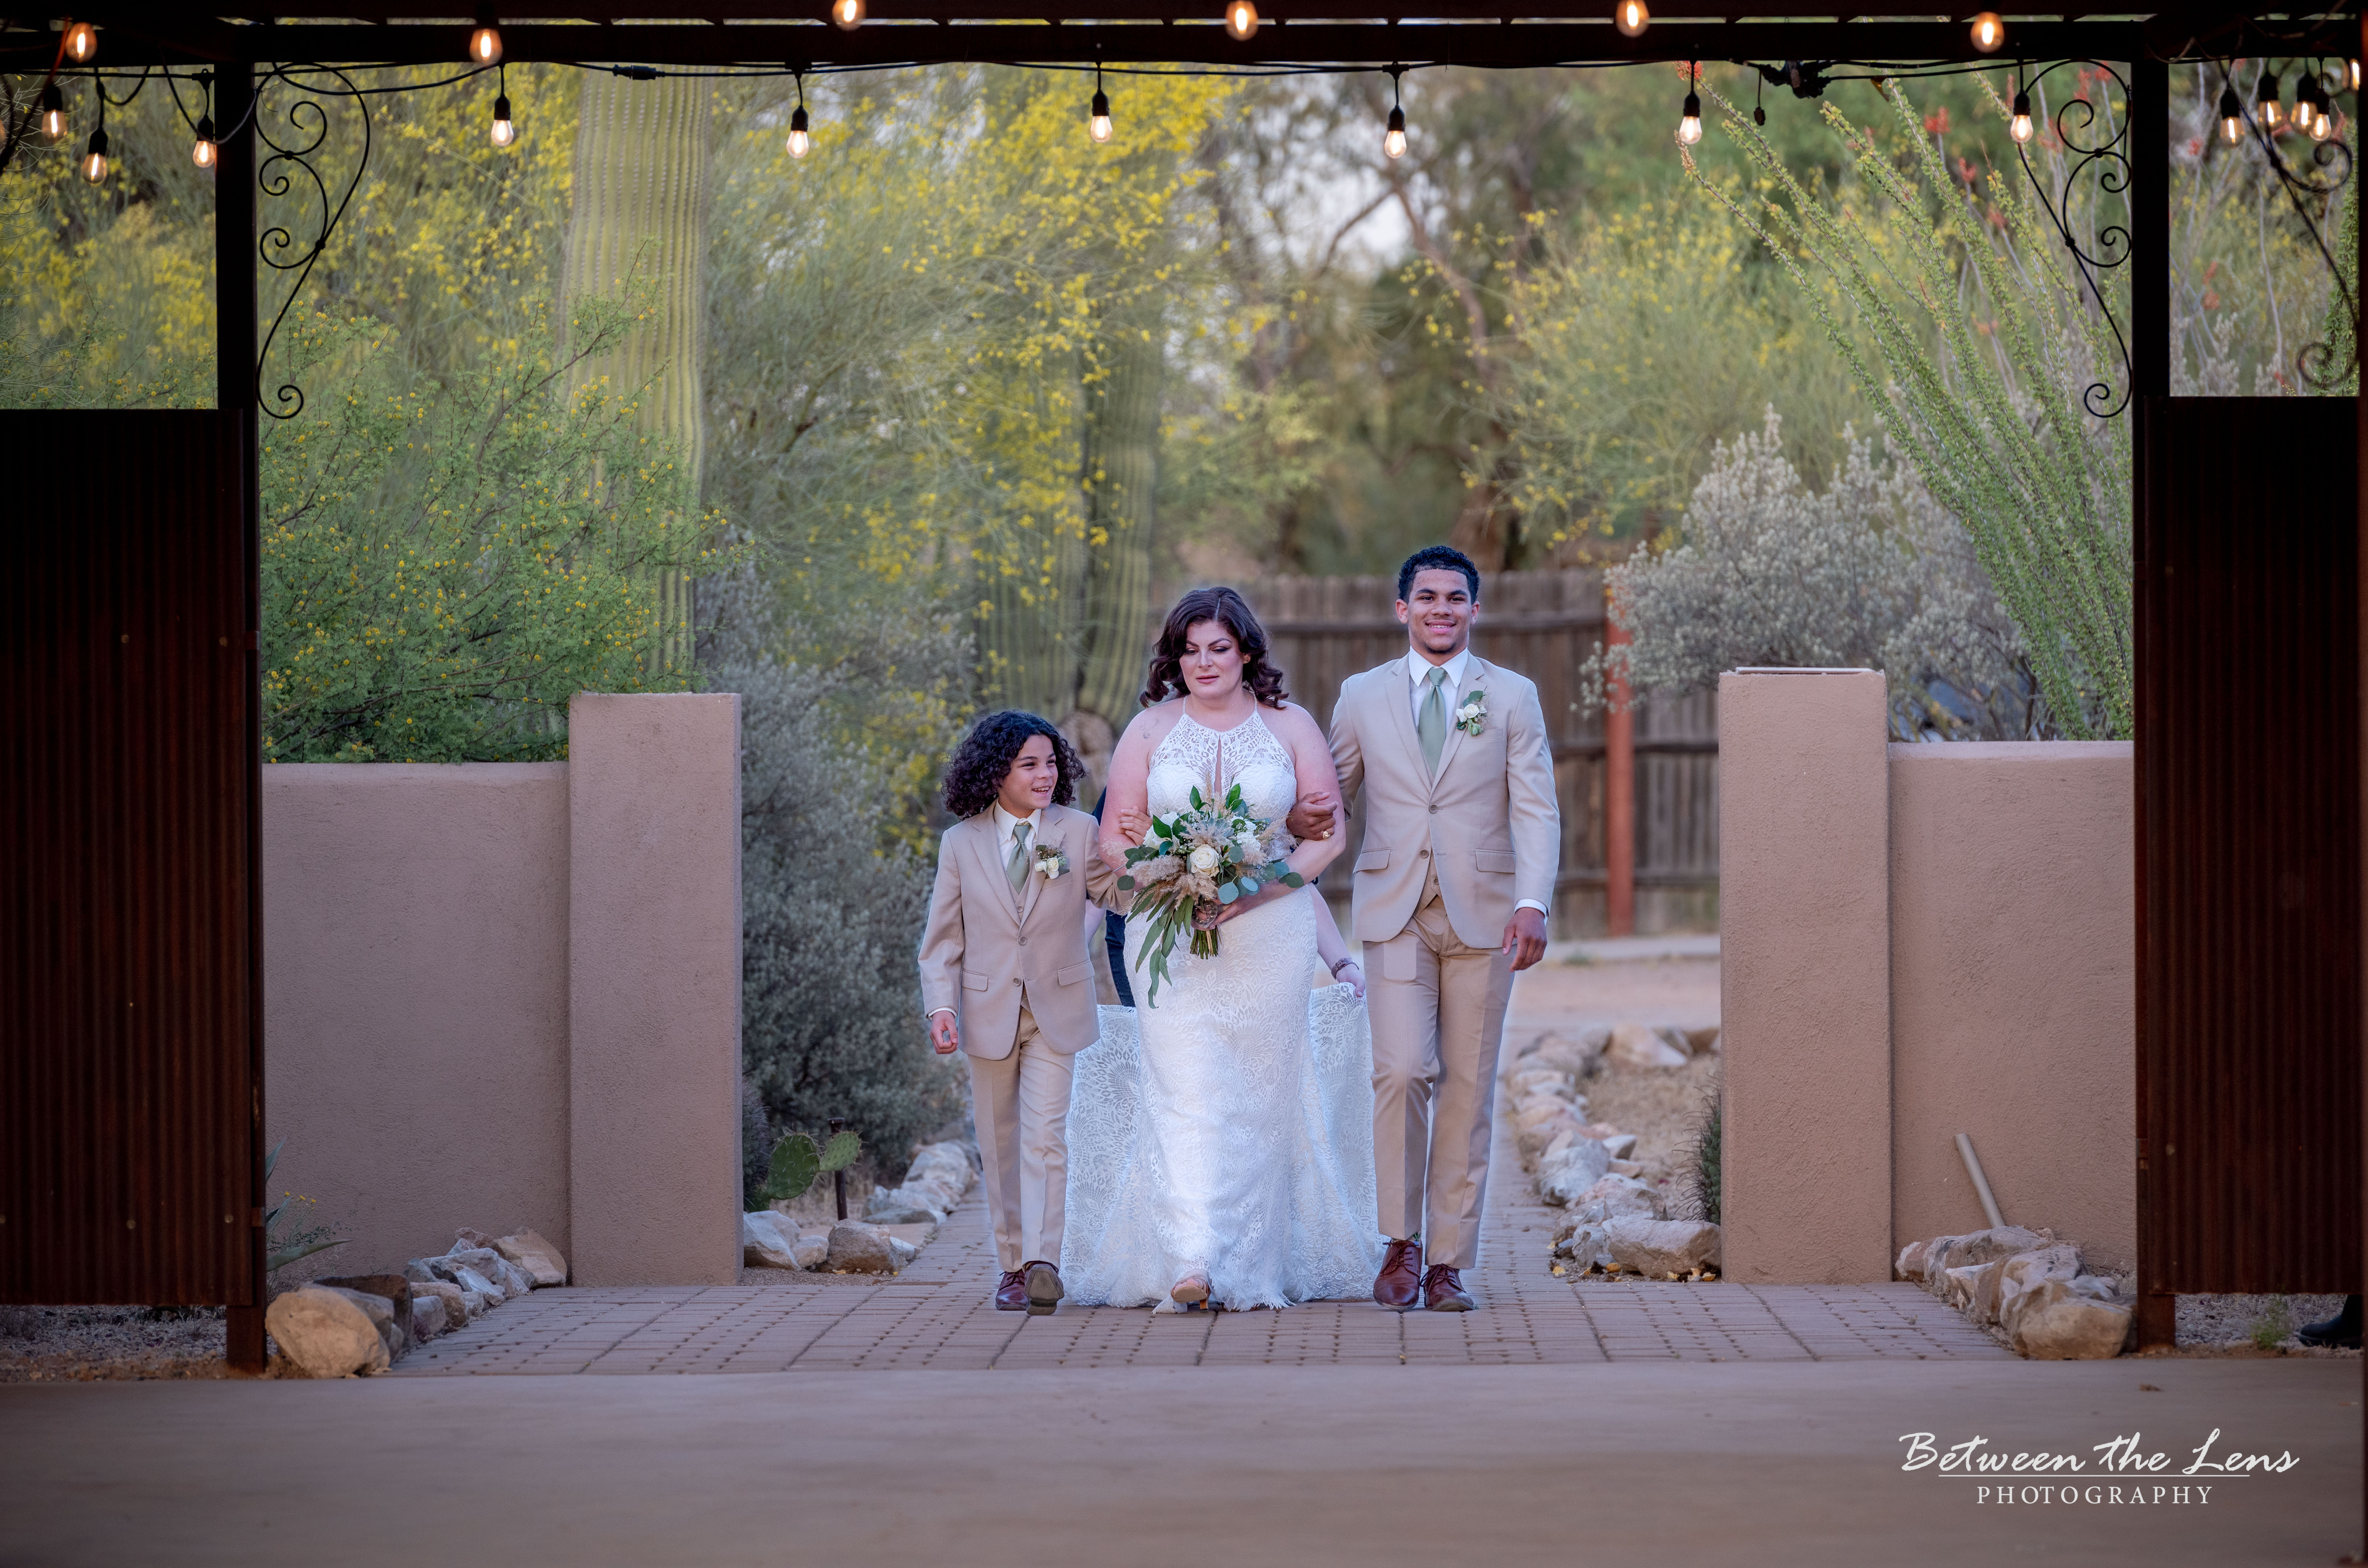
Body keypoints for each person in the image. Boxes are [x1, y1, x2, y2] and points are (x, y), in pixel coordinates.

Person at [1060, 587, 1378, 1312]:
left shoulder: (1290, 726)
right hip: (1167, 931)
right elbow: (1115, 837)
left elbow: (1326, 835)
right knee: (1185, 1089)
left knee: (1256, 1099)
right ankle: (1192, 1258)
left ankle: (1246, 1259)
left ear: (1246, 654)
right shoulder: (1149, 729)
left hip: (1270, 934)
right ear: (1174, 658)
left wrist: (1254, 885)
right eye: (1190, 649)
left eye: (1219, 648)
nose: (1204, 662)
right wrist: (1170, 874)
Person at [1286, 545, 1559, 1312]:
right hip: (1393, 907)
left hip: (1487, 911)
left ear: (1476, 610)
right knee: (1401, 1071)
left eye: (1455, 598)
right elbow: (1330, 795)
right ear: (1401, 608)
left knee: (1468, 1088)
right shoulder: (1360, 694)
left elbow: (1536, 805)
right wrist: (1286, 822)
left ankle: (1446, 1262)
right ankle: (1397, 1242)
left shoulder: (1511, 696)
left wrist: (1533, 900)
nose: (1441, 608)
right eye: (1427, 597)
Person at [918, 711, 1117, 1315]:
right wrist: (941, 1007)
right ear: (995, 772)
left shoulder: (1079, 832)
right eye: (1029, 764)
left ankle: (1042, 1263)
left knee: (1046, 1137)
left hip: (1058, 1006)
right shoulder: (961, 843)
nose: (1045, 774)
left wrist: (1156, 860)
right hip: (986, 1010)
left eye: (1051, 762)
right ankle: (1010, 1265)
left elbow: (1117, 894)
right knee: (1000, 1142)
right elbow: (942, 942)